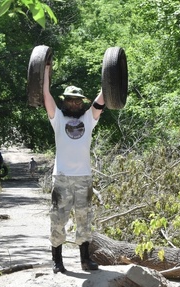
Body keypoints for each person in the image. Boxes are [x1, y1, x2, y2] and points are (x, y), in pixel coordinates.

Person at [43, 64, 105, 274]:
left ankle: (85, 260)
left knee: (84, 219)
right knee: (58, 219)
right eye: (70, 100)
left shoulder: (89, 119)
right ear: (65, 102)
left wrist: (111, 74)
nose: (74, 103)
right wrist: (45, 72)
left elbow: (103, 96)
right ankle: (57, 261)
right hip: (61, 178)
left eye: (77, 100)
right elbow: (46, 95)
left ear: (81, 103)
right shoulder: (58, 119)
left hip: (83, 178)